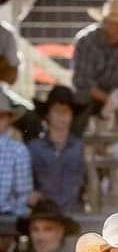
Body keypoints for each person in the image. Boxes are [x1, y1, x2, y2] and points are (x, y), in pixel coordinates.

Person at [28, 85, 87, 213]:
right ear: (48, 114)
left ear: (72, 115)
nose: (62, 116)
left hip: (75, 215)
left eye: (66, 111)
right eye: (57, 111)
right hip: (44, 216)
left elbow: (90, 183)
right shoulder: (34, 148)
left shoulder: (81, 148)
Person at [0, 91, 31, 216]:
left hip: (6, 217)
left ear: (9, 119)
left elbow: (23, 194)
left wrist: (12, 221)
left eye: (0, 117)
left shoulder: (18, 151)